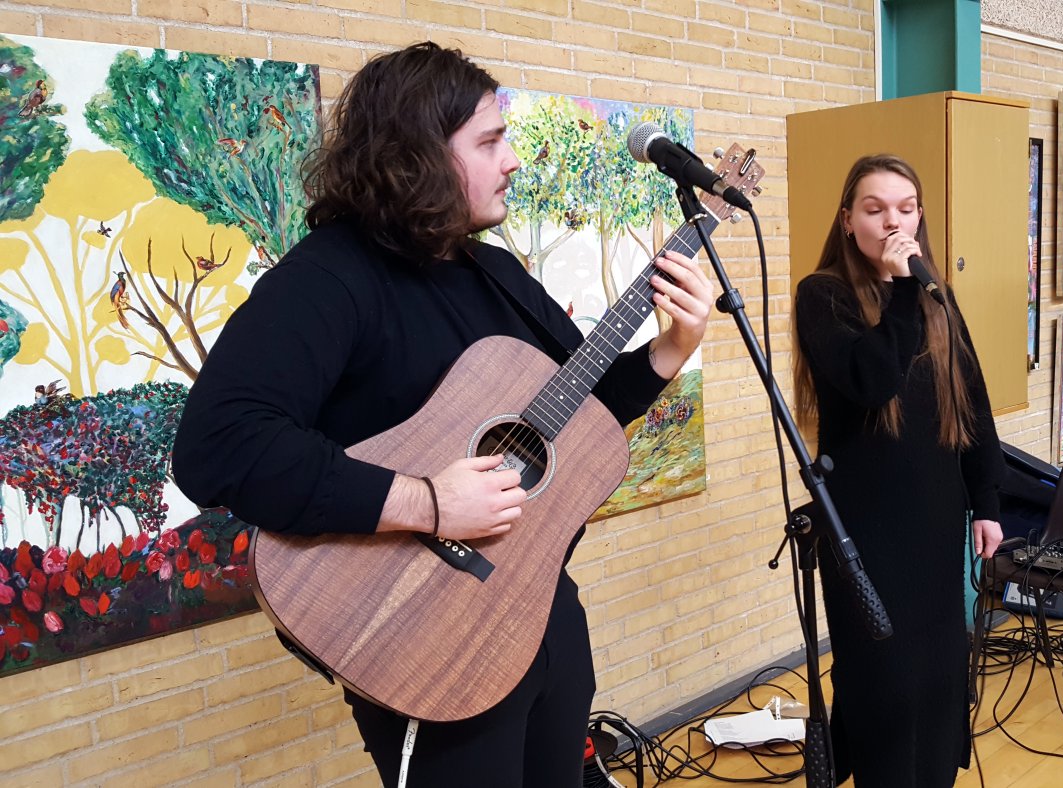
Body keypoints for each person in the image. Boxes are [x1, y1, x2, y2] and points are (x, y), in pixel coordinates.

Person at [171, 42, 713, 787]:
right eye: (490, 141)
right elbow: (219, 445)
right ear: (414, 156)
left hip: (537, 607)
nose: (513, 160)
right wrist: (427, 501)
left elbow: (576, 415)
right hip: (419, 633)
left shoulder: (494, 271)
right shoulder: (330, 277)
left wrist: (668, 351)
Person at [792, 154, 1006, 787]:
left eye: (905, 208)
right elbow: (871, 379)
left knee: (940, 683)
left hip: (934, 522)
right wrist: (906, 290)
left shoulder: (936, 299)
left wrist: (987, 500)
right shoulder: (822, 294)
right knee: (886, 690)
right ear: (848, 219)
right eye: (875, 208)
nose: (893, 221)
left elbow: (972, 402)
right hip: (864, 532)